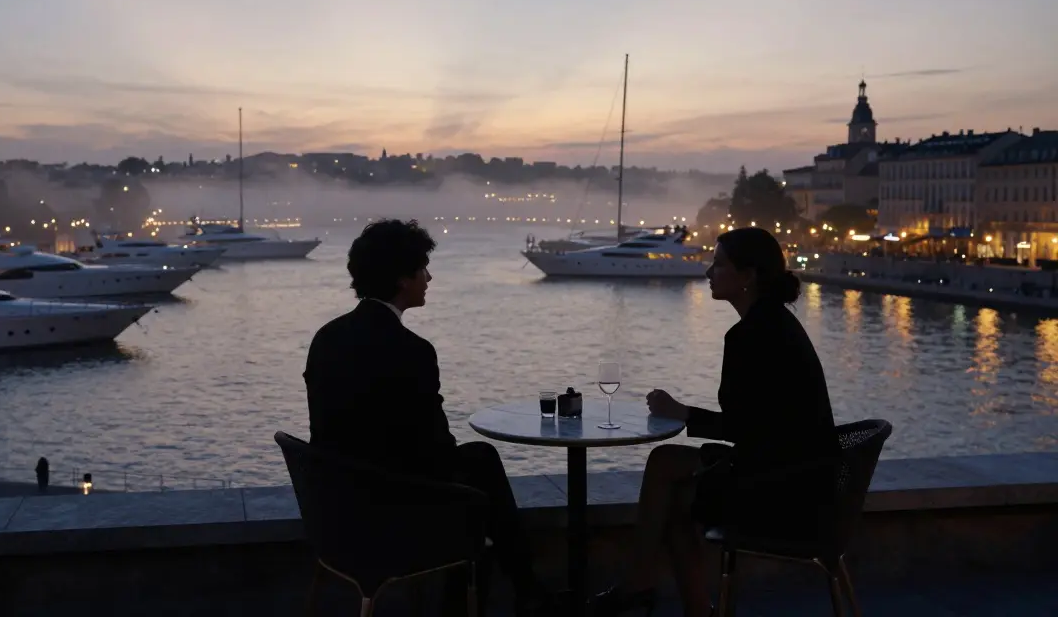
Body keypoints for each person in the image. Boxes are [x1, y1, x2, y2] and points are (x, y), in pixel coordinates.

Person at [303, 218, 552, 615]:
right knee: (478, 484)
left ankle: (527, 588)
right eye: (422, 269)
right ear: (403, 279)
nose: (429, 277)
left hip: (335, 515)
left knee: (478, 466)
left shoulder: (326, 338)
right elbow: (435, 452)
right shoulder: (411, 350)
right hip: (387, 515)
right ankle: (525, 587)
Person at [591, 227, 840, 617]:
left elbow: (744, 428)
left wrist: (683, 413)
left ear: (748, 276)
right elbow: (761, 424)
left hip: (782, 488)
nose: (708, 272)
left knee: (665, 471)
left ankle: (642, 586)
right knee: (668, 473)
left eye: (719, 264)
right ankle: (676, 601)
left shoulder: (750, 336)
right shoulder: (777, 324)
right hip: (807, 476)